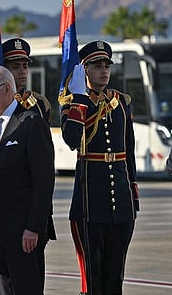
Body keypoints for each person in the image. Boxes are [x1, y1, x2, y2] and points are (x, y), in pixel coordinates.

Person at [0, 38, 56, 295]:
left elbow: (43, 181)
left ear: (6, 89)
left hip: (24, 233)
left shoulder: (31, 122)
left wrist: (33, 227)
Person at [61, 40, 139, 295]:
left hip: (121, 204)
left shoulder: (121, 102)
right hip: (89, 204)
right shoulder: (74, 103)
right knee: (93, 280)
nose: (104, 70)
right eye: (96, 66)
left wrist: (133, 194)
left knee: (115, 277)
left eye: (106, 65)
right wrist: (81, 99)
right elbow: (72, 139)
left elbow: (129, 153)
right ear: (84, 70)